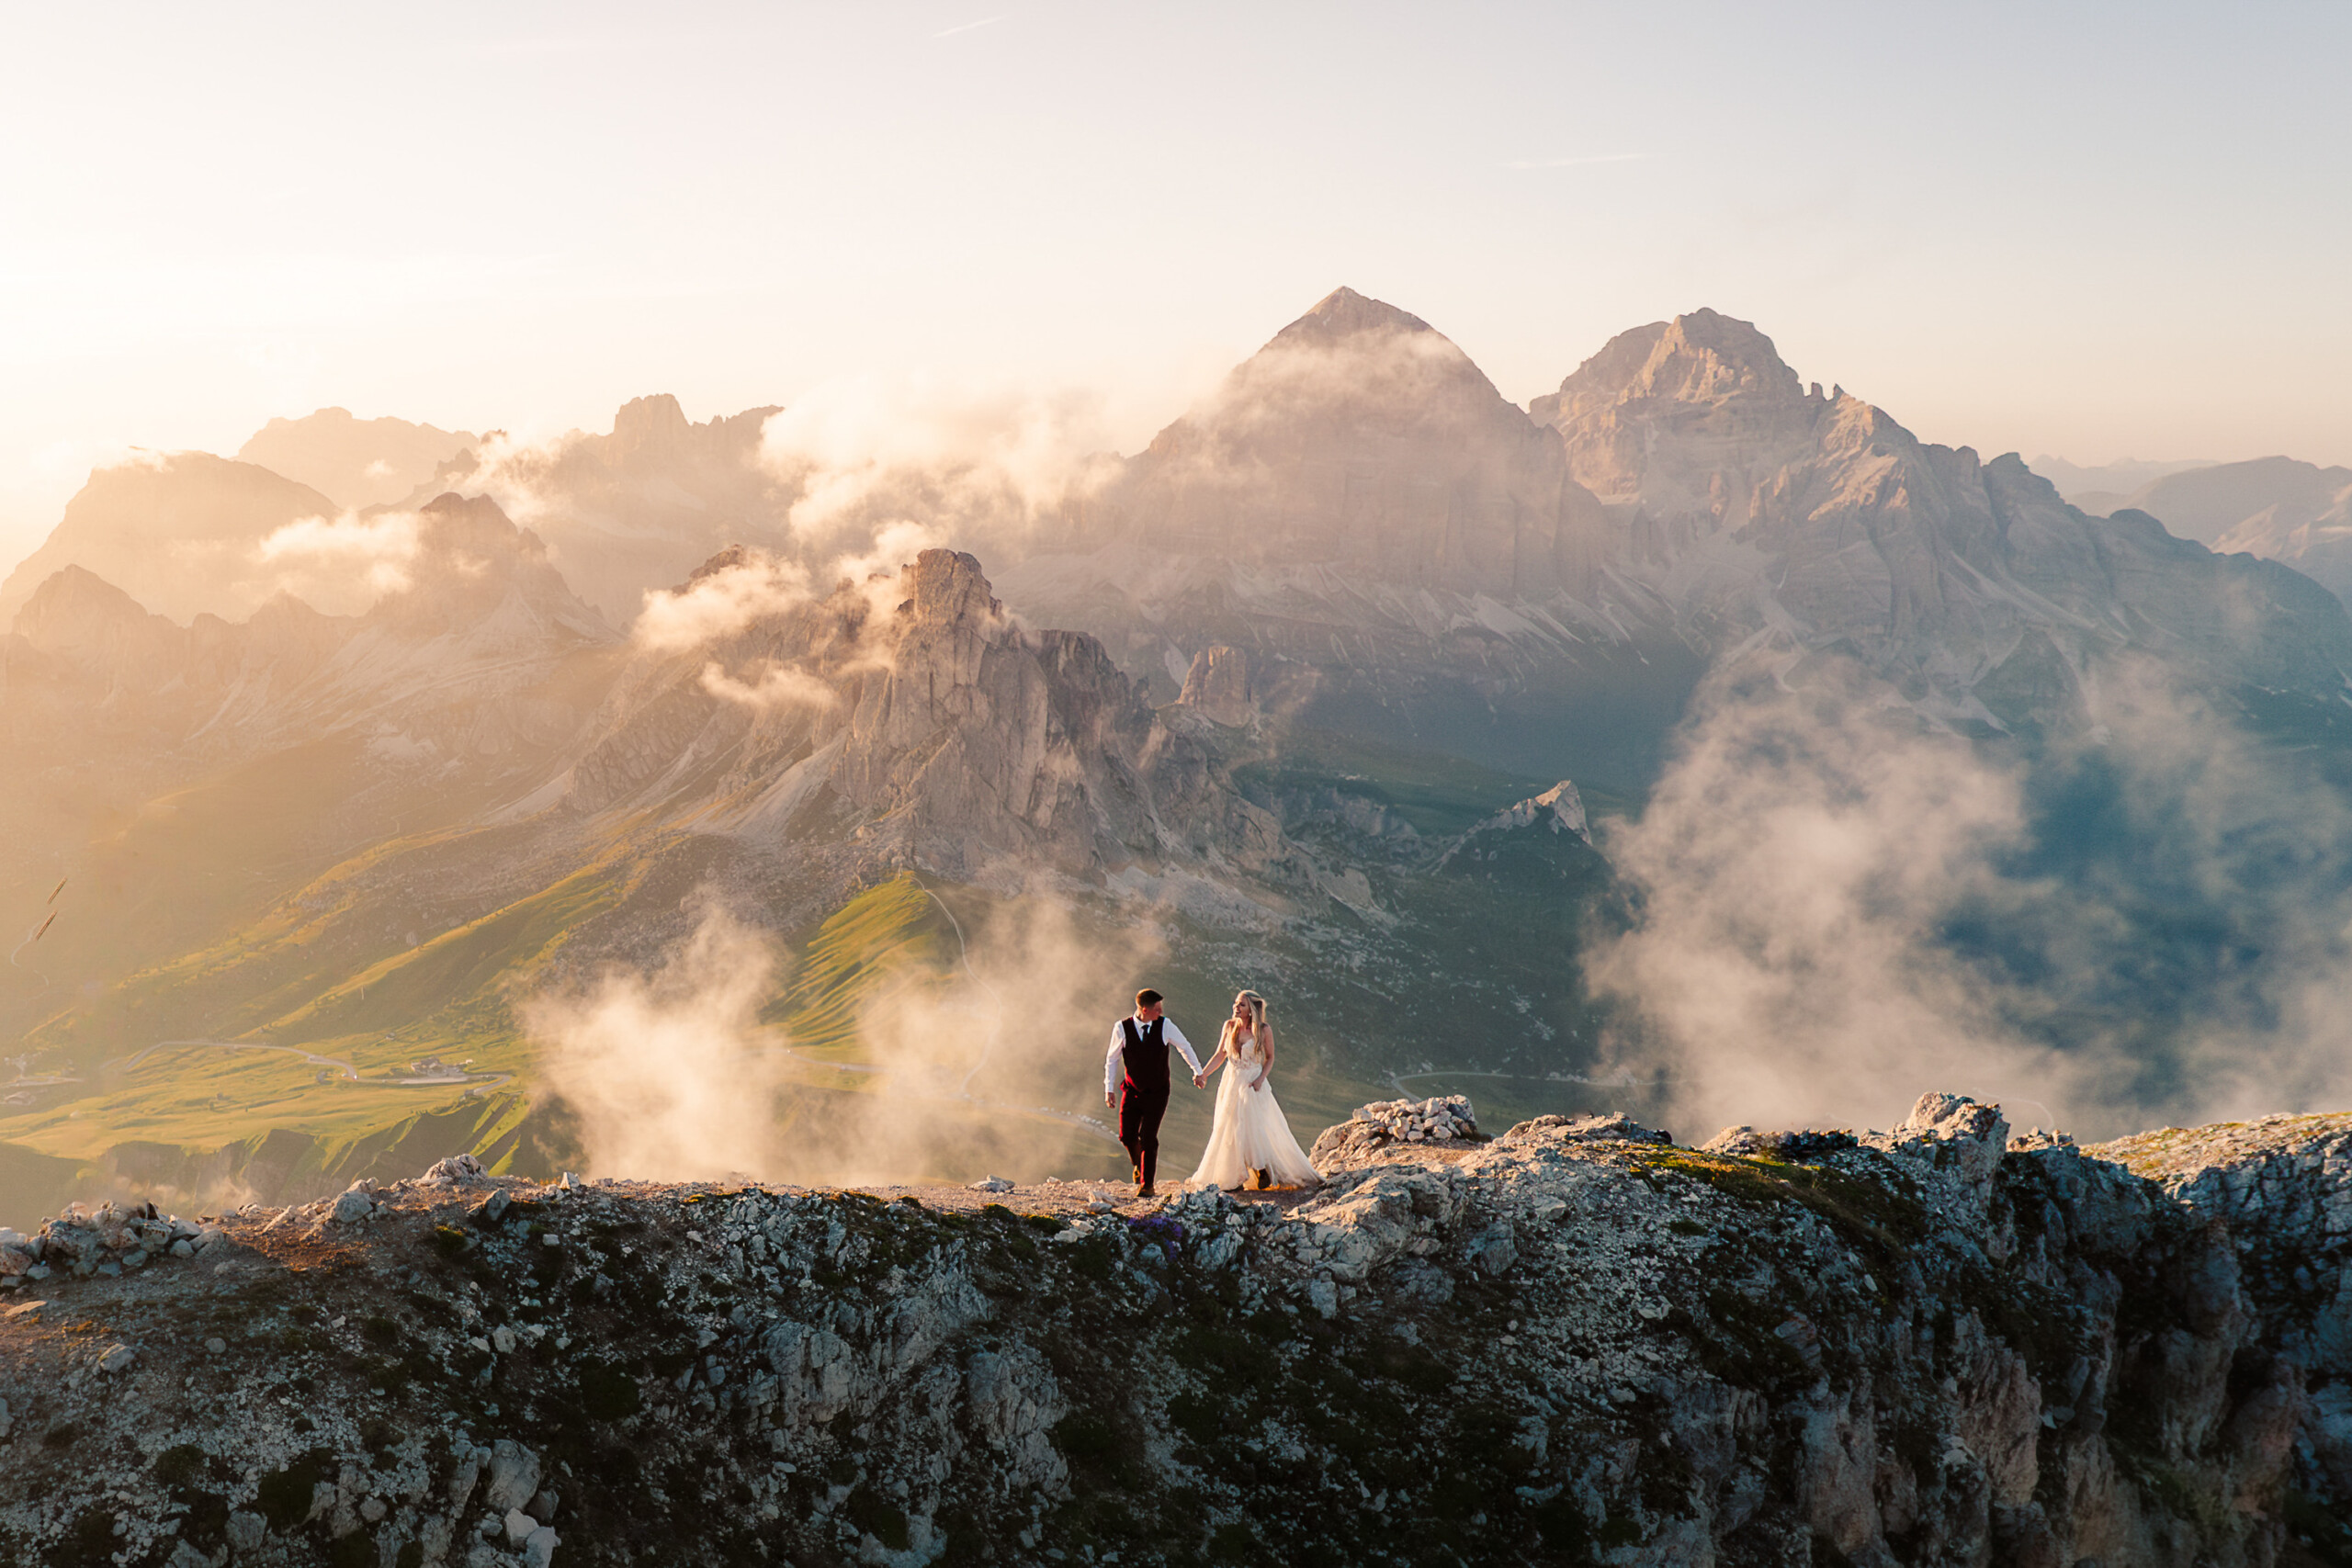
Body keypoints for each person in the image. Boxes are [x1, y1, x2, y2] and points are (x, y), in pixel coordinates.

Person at [1189, 989, 1321, 1192]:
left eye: (1241, 1004)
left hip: (1252, 1082)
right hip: (1231, 1081)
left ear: (1251, 1009)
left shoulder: (1263, 1029)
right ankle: (1235, 1176)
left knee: (1253, 1127)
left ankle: (1261, 1168)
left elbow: (1270, 1057)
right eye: (1235, 1003)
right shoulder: (1229, 1026)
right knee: (1229, 1127)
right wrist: (1203, 1074)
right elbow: (1220, 1054)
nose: (1236, 1007)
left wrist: (1260, 1079)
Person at [1103, 988, 1206, 1199]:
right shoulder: (1122, 1028)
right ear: (1144, 1009)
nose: (1160, 1013)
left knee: (1148, 1137)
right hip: (1132, 1091)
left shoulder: (1165, 1025)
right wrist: (1109, 1089)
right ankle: (1138, 1165)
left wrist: (1198, 1071)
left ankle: (1147, 1185)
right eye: (1157, 1009)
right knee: (1127, 1136)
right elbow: (1112, 1059)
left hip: (1158, 1092)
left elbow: (1184, 1046)